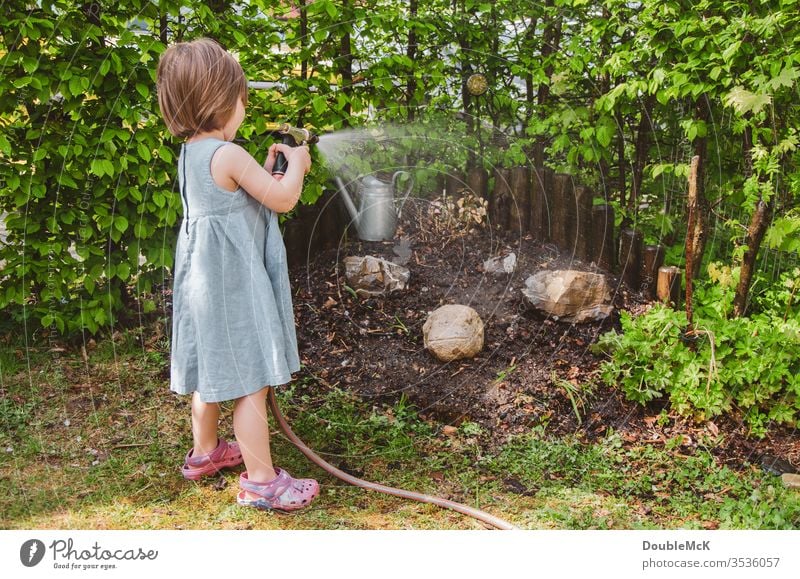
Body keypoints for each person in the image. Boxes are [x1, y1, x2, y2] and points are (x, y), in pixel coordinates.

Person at [156, 38, 318, 512]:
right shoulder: (227, 154)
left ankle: (206, 453)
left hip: (203, 286)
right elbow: (282, 199)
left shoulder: (192, 153)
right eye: (242, 100)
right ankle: (263, 481)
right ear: (222, 102)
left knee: (210, 366)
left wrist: (267, 169)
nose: (244, 109)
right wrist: (298, 166)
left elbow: (234, 202)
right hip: (231, 287)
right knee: (252, 380)